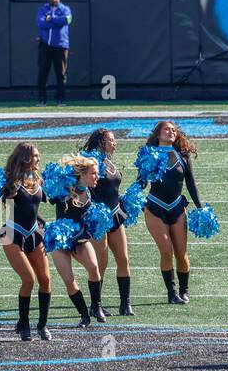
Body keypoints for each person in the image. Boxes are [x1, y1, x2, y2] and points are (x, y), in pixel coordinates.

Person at [143, 121, 204, 305]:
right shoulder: (150, 154)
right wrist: (130, 197)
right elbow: (141, 181)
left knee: (181, 253)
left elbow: (191, 184)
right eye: (166, 129)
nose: (170, 132)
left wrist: (200, 208)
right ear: (158, 133)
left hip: (177, 207)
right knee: (166, 251)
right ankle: (172, 293)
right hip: (154, 207)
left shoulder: (182, 155)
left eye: (173, 130)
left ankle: (184, 291)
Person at [0, 142, 53, 341]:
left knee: (45, 280)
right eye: (35, 156)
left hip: (34, 233)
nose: (38, 159)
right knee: (29, 280)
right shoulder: (9, 181)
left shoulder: (37, 178)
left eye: (38, 155)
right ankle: (24, 324)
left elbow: (54, 198)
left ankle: (42, 324)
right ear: (24, 157)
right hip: (12, 235)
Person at [82, 128, 134, 316]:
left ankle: (125, 303)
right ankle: (96, 305)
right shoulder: (90, 161)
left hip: (115, 214)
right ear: (101, 142)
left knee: (123, 258)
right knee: (101, 262)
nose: (115, 143)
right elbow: (80, 186)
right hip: (99, 218)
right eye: (111, 140)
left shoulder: (108, 162)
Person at [50, 154, 104, 326]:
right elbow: (49, 194)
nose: (97, 177)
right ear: (83, 175)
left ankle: (96, 306)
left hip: (80, 238)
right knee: (69, 280)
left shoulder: (88, 191)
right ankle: (84, 315)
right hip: (61, 241)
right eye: (94, 173)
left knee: (94, 268)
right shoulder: (64, 189)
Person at [36, 0, 71, 108]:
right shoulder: (43, 10)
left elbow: (67, 20)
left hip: (61, 45)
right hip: (45, 44)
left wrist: (52, 19)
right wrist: (55, 22)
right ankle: (42, 99)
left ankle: (60, 99)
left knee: (61, 73)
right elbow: (40, 23)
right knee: (43, 72)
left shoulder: (65, 9)